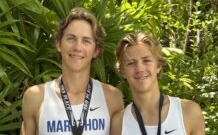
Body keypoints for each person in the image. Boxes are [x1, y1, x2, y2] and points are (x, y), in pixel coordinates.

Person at [20, 7, 124, 135]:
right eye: (71, 38)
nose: (77, 47)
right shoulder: (35, 97)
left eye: (86, 41)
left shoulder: (112, 98)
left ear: (96, 51)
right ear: (58, 44)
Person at [111, 32, 205, 135]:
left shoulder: (188, 112)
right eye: (131, 63)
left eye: (146, 60)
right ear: (122, 71)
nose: (139, 69)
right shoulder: (118, 123)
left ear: (158, 65)